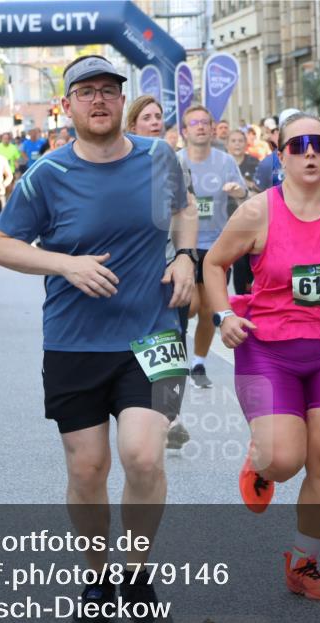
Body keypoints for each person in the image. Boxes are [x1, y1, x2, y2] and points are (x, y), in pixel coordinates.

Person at [0, 54, 196, 623]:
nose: (99, 100)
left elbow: (184, 211)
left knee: (145, 457)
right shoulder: (46, 175)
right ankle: (98, 577)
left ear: (122, 101)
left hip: (154, 335)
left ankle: (137, 576)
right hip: (74, 342)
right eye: (86, 92)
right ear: (69, 105)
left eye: (109, 90)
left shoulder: (159, 157)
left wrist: (185, 256)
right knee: (87, 468)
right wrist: (64, 264)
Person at [202, 112, 320, 601]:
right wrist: (222, 315)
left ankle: (303, 563)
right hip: (267, 351)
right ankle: (262, 463)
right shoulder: (256, 212)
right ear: (280, 154)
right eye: (298, 145)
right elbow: (213, 263)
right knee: (286, 458)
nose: (310, 153)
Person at [126, 94, 196, 450]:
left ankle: (172, 415)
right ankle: (135, 409)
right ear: (132, 126)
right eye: (147, 118)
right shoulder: (120, 163)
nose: (155, 122)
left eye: (158, 117)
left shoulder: (174, 162)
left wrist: (186, 256)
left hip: (170, 264)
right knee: (135, 341)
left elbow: (189, 207)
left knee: (174, 337)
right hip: (132, 269)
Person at [178, 105, 247, 389]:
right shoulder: (175, 161)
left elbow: (244, 193)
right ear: (184, 131)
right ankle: (178, 360)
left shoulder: (225, 161)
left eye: (205, 122)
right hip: (184, 245)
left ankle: (198, 364)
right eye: (194, 123)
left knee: (209, 310)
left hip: (216, 246)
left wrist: (236, 189)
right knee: (189, 304)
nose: (201, 126)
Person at [226, 128, 261, 295]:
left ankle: (252, 292)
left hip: (251, 219)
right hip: (229, 220)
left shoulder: (254, 163)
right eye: (233, 141)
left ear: (246, 143)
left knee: (251, 262)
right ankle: (240, 299)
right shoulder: (222, 163)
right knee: (238, 262)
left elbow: (260, 190)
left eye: (240, 140)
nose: (237, 144)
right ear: (227, 144)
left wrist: (243, 186)